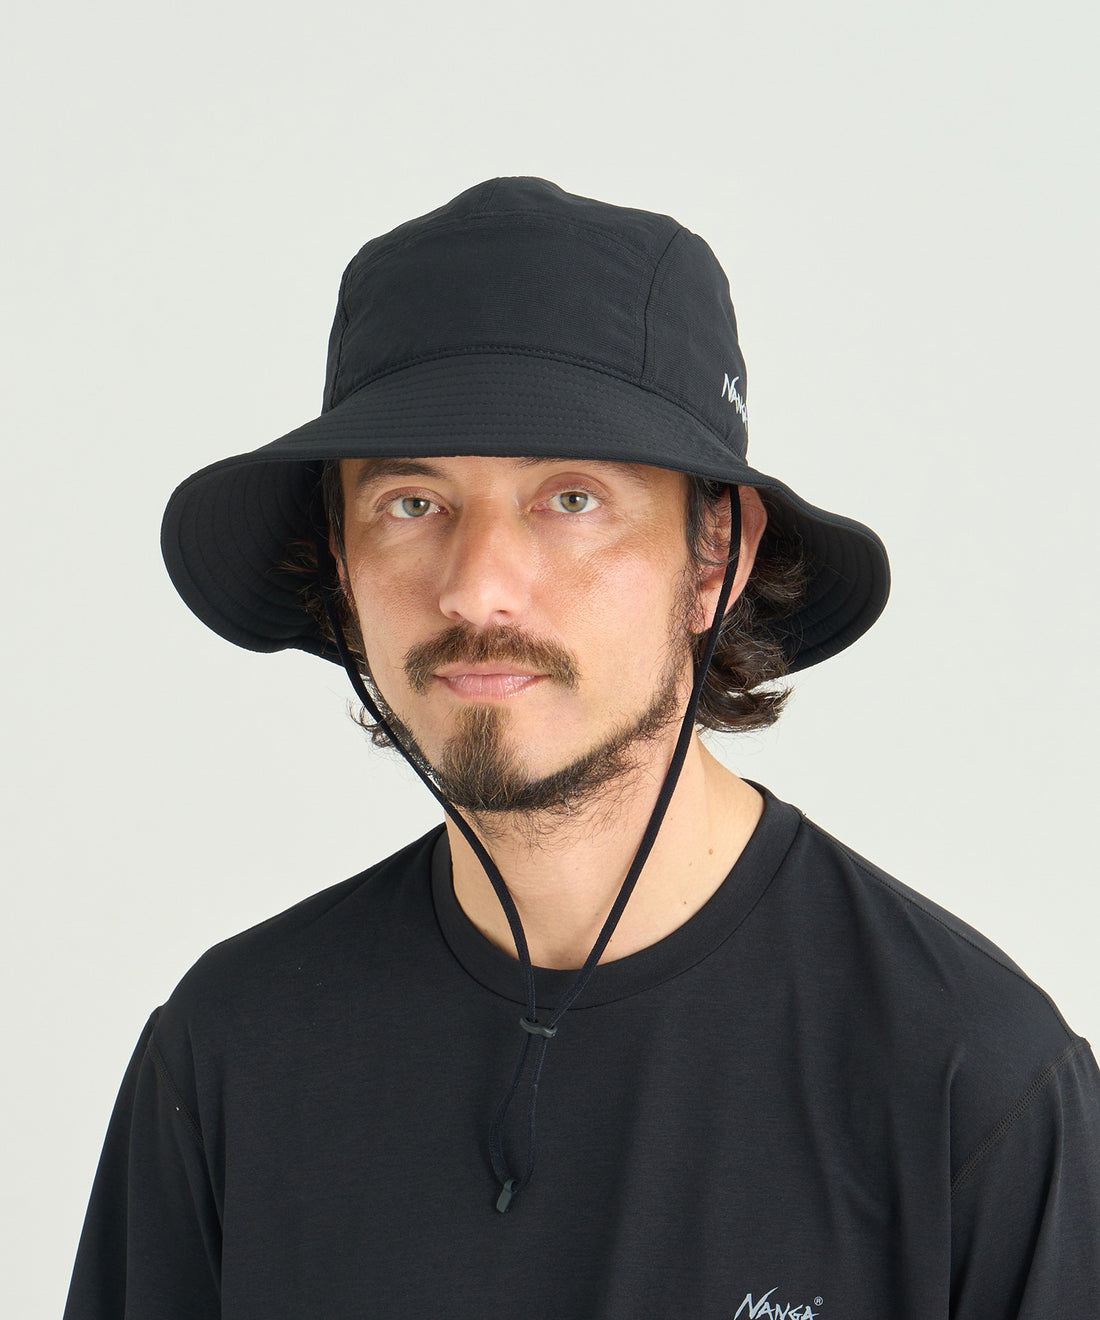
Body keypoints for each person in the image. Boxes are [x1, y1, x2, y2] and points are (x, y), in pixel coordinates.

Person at [64, 177, 1099, 1319]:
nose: (477, 588)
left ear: (715, 556)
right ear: (342, 564)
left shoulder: (968, 1085)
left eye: (570, 499)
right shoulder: (230, 1054)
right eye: (412, 503)